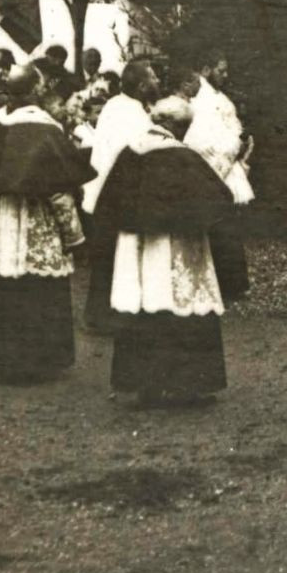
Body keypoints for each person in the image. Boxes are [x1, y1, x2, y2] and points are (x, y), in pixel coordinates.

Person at [96, 96, 234, 408]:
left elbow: (109, 205)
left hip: (136, 248)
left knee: (144, 306)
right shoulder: (182, 157)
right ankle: (185, 385)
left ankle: (143, 385)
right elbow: (218, 200)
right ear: (172, 125)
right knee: (181, 305)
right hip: (177, 248)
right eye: (183, 126)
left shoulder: (129, 153)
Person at [0, 63, 93, 383]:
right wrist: (74, 235)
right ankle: (37, 363)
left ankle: (0, 361)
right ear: (35, 91)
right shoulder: (47, 130)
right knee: (36, 290)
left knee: (2, 287)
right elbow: (58, 189)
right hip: (37, 223)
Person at [81, 59, 160, 333]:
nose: (158, 82)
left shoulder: (119, 106)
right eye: (153, 78)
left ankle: (100, 312)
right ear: (141, 86)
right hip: (114, 192)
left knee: (107, 256)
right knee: (113, 255)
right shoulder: (129, 114)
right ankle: (105, 314)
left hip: (105, 190)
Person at [182, 56, 254, 304]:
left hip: (226, 163)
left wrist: (238, 142)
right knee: (216, 226)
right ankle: (222, 285)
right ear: (206, 69)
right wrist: (233, 145)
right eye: (221, 71)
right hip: (210, 163)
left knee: (227, 225)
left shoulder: (220, 99)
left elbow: (233, 127)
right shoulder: (199, 100)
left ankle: (232, 284)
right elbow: (200, 138)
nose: (225, 75)